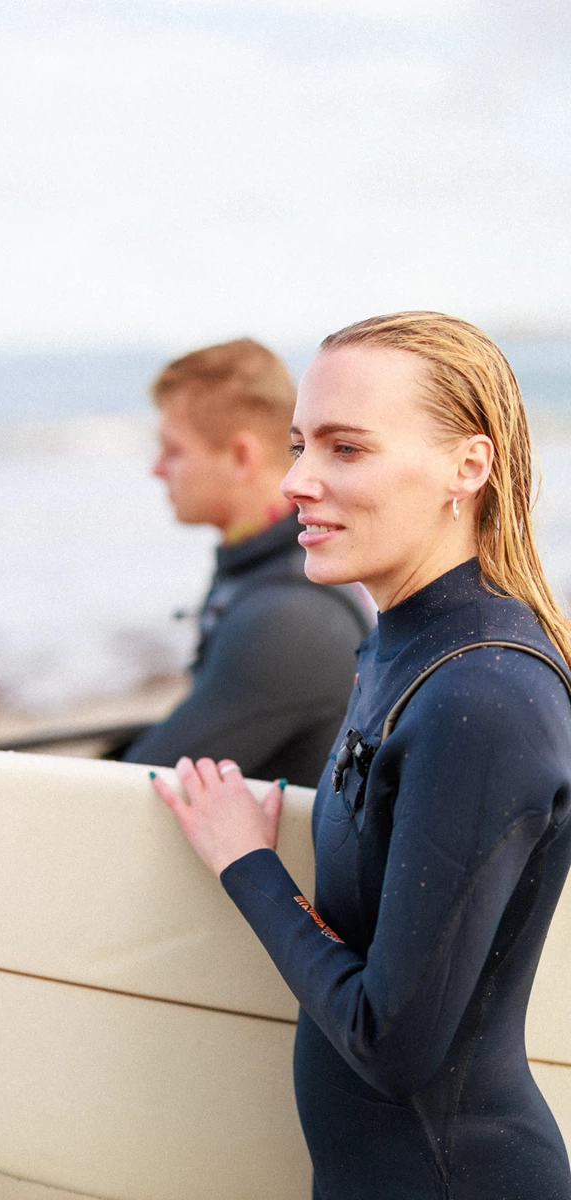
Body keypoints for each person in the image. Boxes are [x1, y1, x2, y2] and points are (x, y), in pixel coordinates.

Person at [150, 312, 571, 1200]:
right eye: (301, 444)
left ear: (469, 466)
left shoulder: (484, 697)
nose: (298, 479)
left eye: (345, 449)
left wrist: (248, 864)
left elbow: (392, 1044)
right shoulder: (397, 649)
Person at [121, 337, 373, 786]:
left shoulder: (289, 617)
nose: (157, 468)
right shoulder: (267, 568)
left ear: (241, 457)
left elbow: (139, 786)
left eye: (173, 450)